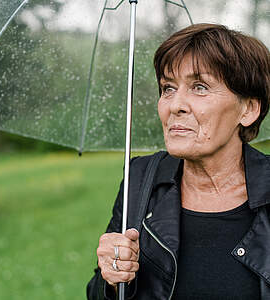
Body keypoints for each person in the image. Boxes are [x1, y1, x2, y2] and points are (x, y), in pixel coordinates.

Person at [87, 23, 270, 300]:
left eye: (199, 87)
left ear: (248, 109)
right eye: (168, 88)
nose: (175, 105)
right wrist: (111, 280)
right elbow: (98, 293)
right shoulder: (141, 177)